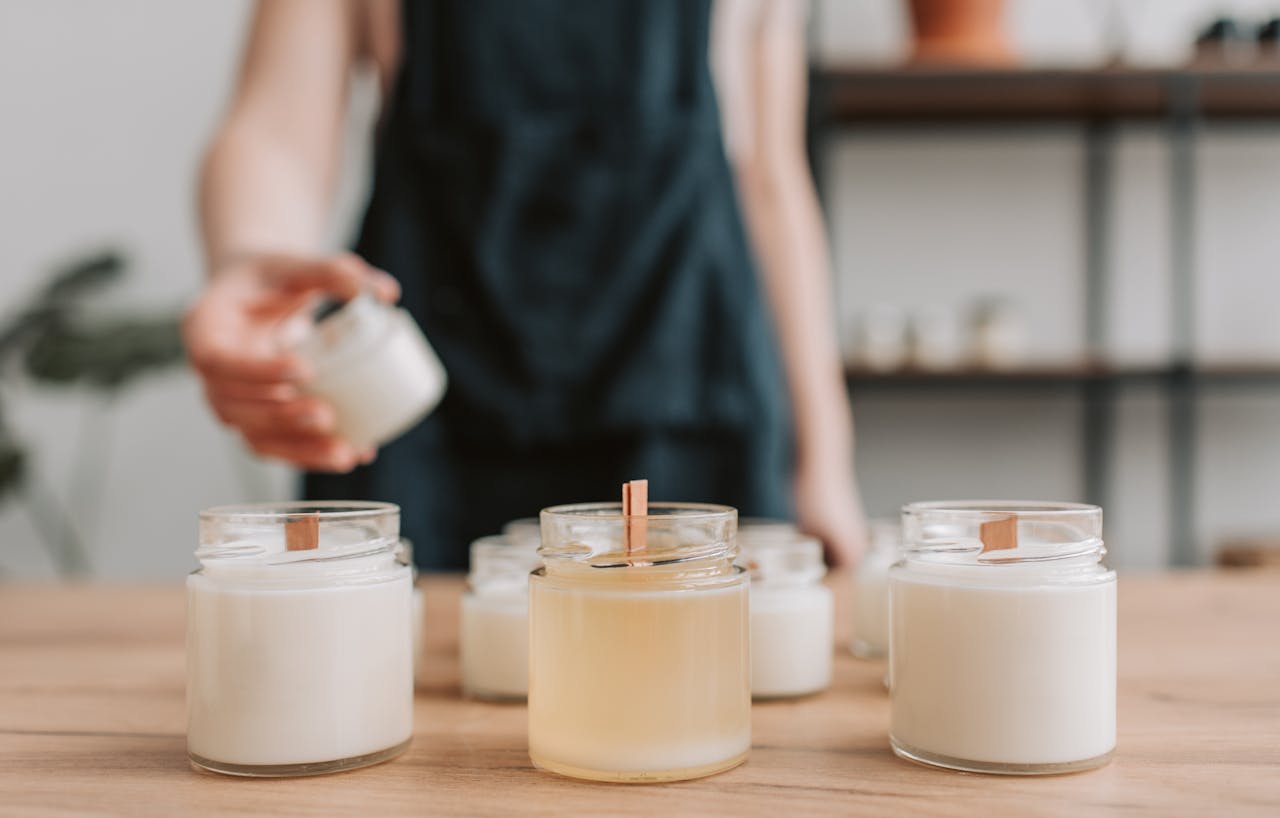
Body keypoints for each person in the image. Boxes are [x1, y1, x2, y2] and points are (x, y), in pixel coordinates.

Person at [183, 0, 865, 570]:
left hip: (686, 393)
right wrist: (253, 256)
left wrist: (825, 457)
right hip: (421, 413)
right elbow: (276, 127)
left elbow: (770, 177)